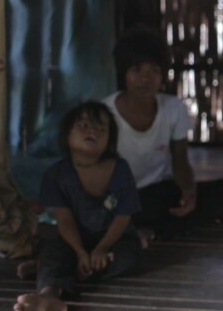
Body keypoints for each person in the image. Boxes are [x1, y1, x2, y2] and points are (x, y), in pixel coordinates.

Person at [103, 27, 223, 245]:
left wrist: (189, 192)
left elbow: (180, 162)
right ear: (124, 72)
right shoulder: (105, 114)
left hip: (161, 192)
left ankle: (154, 230)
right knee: (138, 209)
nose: (145, 78)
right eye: (137, 70)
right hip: (123, 199)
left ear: (162, 75)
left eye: (154, 70)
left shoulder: (173, 108)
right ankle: (163, 228)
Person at [14, 102, 141, 311]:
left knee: (129, 258)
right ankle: (48, 294)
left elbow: (123, 217)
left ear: (110, 140)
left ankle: (53, 270)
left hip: (113, 239)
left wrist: (102, 248)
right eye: (84, 125)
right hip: (74, 240)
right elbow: (64, 220)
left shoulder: (120, 169)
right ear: (66, 135)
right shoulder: (56, 175)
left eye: (102, 128)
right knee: (54, 248)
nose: (93, 131)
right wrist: (81, 252)